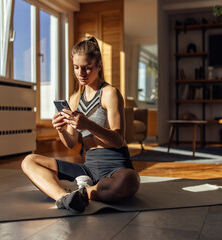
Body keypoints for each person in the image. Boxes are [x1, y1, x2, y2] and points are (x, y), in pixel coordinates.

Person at [21, 36, 140, 213]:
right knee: (29, 161)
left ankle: (82, 192)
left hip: (116, 167)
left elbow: (118, 139)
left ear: (99, 65)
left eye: (87, 68)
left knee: (129, 180)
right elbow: (70, 142)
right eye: (76, 67)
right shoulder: (75, 98)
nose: (81, 73)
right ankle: (65, 197)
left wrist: (88, 124)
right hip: (88, 169)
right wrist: (60, 129)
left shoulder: (110, 93)